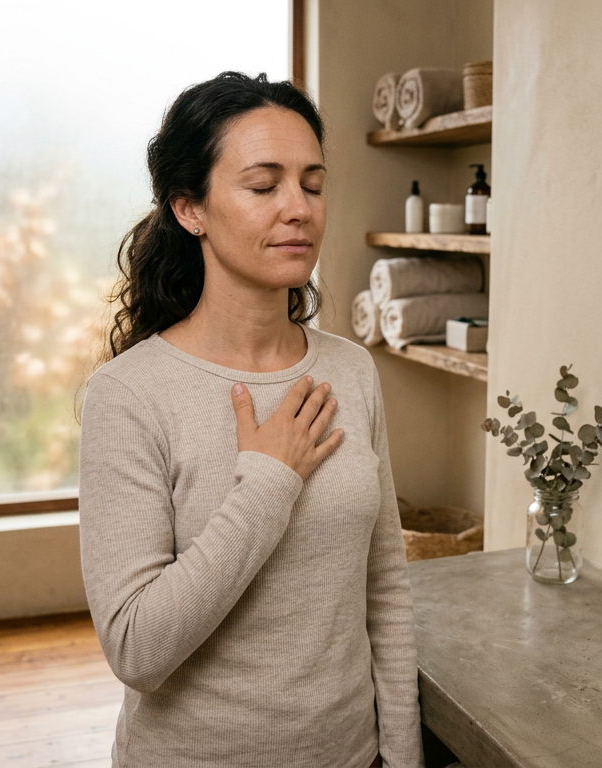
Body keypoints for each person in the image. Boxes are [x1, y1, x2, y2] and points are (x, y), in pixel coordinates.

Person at [78, 72, 422, 767]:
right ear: (189, 208)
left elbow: (383, 586)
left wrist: (403, 754)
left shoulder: (351, 371)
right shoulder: (128, 395)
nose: (298, 208)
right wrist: (267, 482)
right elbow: (137, 649)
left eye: (313, 184)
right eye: (264, 186)